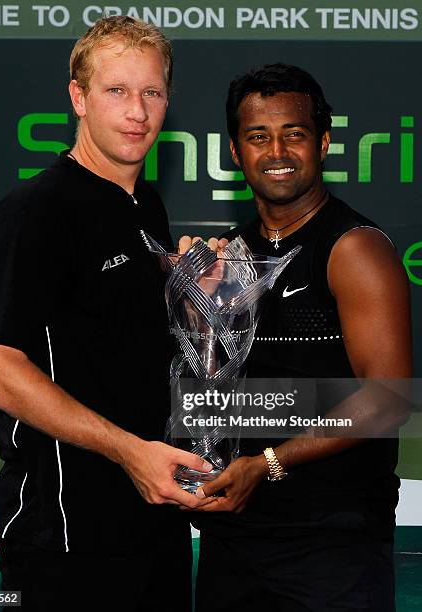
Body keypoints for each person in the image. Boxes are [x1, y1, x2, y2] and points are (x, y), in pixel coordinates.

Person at [0, 16, 213, 611]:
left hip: (156, 518)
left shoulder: (145, 206)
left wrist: (194, 292)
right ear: (78, 98)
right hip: (64, 538)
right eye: (117, 91)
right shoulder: (35, 210)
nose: (138, 111)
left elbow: (115, 342)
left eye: (152, 92)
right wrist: (132, 452)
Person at [192, 64, 412, 612]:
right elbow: (217, 387)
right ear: (236, 152)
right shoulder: (230, 253)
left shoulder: (354, 249)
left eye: (294, 133)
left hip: (330, 544)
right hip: (235, 534)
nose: (277, 151)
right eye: (258, 136)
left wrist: (269, 463)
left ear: (324, 143)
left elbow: (387, 400)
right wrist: (197, 311)